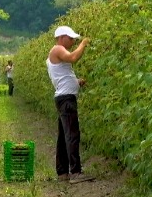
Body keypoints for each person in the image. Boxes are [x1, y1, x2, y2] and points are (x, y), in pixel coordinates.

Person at [46, 26, 95, 184]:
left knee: (64, 136)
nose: (74, 41)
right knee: (72, 134)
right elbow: (73, 58)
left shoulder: (58, 52)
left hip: (64, 97)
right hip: (66, 99)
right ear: (61, 37)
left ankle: (62, 173)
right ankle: (75, 172)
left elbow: (63, 75)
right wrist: (84, 44)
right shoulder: (57, 49)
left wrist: (76, 82)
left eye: (76, 39)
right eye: (71, 38)